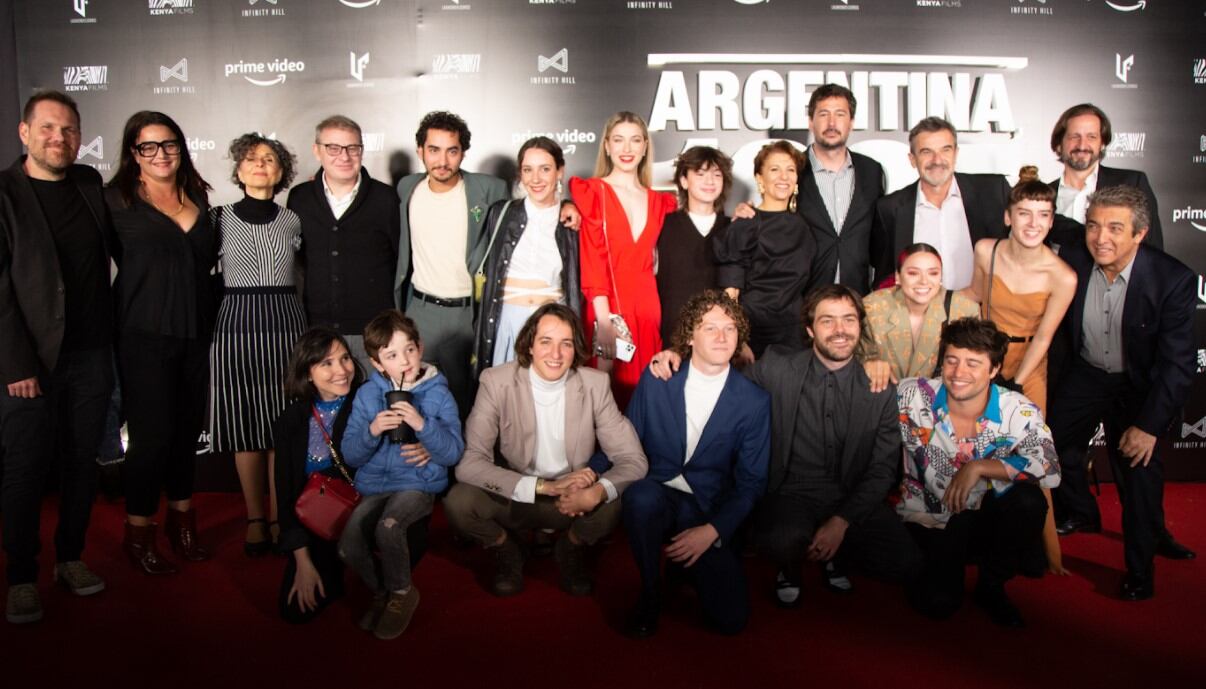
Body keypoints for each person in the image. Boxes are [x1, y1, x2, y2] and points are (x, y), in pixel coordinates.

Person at [651, 284, 921, 609]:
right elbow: (721, 375)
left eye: (849, 320)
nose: (840, 330)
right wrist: (678, 354)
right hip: (790, 494)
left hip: (850, 494)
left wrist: (841, 521)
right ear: (810, 329)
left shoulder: (879, 385)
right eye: (827, 321)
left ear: (860, 327)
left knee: (907, 563)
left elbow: (881, 469)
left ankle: (836, 552)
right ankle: (791, 565)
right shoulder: (778, 367)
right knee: (778, 540)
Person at [1, 91, 116, 623]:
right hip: (31, 365)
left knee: (80, 466)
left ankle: (70, 558)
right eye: (48, 128)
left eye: (69, 130)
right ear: (24, 133)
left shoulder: (91, 185)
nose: (59, 139)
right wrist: (16, 363)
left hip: (92, 355)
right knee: (24, 472)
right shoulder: (3, 193)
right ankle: (21, 575)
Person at [1048, 186, 1197, 600]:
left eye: (1116, 228)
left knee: (1139, 471)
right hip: (1088, 373)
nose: (1102, 238)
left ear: (1140, 233)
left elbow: (1177, 364)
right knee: (1049, 444)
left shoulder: (1172, 280)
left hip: (1139, 384)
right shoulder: (1072, 258)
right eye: (1093, 226)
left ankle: (1141, 565)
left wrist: (1148, 426)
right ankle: (1082, 512)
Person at [445, 303, 647, 597]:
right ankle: (507, 548)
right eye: (546, 342)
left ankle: (570, 548)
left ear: (575, 348)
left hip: (570, 501)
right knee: (458, 502)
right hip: (515, 494)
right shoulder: (496, 381)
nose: (556, 354)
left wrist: (595, 492)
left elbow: (634, 460)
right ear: (529, 346)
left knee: (612, 501)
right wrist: (543, 487)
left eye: (565, 344)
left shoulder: (595, 384)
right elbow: (469, 464)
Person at [622, 291, 770, 638]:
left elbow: (752, 483)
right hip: (658, 494)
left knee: (731, 620)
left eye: (730, 328)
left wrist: (713, 531)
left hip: (707, 509)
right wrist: (591, 477)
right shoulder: (659, 378)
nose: (722, 337)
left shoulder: (754, 401)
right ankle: (650, 590)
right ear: (689, 335)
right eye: (710, 328)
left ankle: (684, 566)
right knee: (640, 497)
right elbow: (626, 442)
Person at [106, 111, 216, 574]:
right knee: (150, 439)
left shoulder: (198, 196)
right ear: (133, 153)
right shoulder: (115, 201)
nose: (160, 154)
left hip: (195, 335)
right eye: (148, 146)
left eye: (168, 144)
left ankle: (181, 521)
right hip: (143, 335)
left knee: (186, 433)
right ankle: (138, 532)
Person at [898, 318, 1060, 627]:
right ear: (940, 361)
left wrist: (980, 467)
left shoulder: (1018, 409)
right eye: (952, 361)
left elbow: (1050, 468)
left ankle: (992, 584)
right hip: (933, 516)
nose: (959, 373)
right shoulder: (911, 395)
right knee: (938, 605)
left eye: (973, 363)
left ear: (994, 369)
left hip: (986, 515)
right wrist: (872, 368)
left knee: (1029, 502)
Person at [208, 133, 306, 556]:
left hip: (286, 324)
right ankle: (254, 517)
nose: (260, 164)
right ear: (238, 169)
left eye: (269, 159)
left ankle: (280, 515)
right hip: (236, 324)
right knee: (245, 427)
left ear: (281, 171)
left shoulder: (294, 220)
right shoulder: (217, 218)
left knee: (282, 428)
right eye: (251, 159)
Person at [339, 310, 463, 639]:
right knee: (348, 542)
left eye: (409, 349)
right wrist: (373, 429)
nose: (405, 360)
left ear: (420, 348)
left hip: (417, 485)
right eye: (392, 355)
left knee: (389, 527)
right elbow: (351, 453)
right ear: (378, 364)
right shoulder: (367, 395)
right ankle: (383, 591)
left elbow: (453, 453)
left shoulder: (439, 393)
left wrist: (423, 427)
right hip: (376, 486)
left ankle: (401, 593)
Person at [395, 112, 509, 416]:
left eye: (452, 150)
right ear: (420, 151)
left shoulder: (489, 189)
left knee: (467, 405)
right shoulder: (407, 188)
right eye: (434, 150)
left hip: (468, 314)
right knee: (415, 403)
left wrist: (565, 205)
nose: (442, 160)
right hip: (419, 311)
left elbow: (528, 207)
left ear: (463, 153)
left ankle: (465, 464)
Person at [733, 84, 886, 295]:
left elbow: (879, 235)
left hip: (857, 297)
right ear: (810, 122)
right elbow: (770, 220)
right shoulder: (792, 170)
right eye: (823, 114)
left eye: (840, 114)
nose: (831, 123)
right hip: (801, 299)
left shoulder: (872, 171)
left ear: (851, 122)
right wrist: (747, 216)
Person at [570, 111, 678, 409]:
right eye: (618, 140)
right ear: (606, 146)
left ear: (645, 146)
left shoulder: (662, 203)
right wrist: (603, 320)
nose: (627, 149)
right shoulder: (592, 192)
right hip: (606, 308)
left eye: (634, 140)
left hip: (647, 308)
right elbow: (592, 258)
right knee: (602, 399)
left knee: (645, 396)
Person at [286, 115, 399, 374]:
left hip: (372, 334)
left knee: (373, 408)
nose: (344, 156)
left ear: (362, 150)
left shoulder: (386, 199)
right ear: (317, 151)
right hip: (317, 331)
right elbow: (298, 259)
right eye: (333, 148)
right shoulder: (300, 198)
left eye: (352, 148)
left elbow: (400, 260)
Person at [273, 327, 362, 624]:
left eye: (345, 358)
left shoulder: (364, 405)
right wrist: (302, 561)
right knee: (294, 611)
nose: (341, 370)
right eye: (327, 363)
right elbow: (285, 494)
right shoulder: (291, 420)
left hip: (358, 515)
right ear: (307, 372)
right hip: (313, 522)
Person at [474, 136, 580, 375]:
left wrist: (569, 205)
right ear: (520, 174)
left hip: (552, 331)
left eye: (545, 169)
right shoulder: (501, 214)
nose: (536, 179)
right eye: (528, 170)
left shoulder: (572, 221)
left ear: (559, 171)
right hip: (507, 324)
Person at [871, 117, 1010, 291]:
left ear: (956, 153)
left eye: (945, 150)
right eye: (926, 152)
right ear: (912, 159)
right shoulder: (890, 208)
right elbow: (885, 274)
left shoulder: (994, 192)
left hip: (980, 313)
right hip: (918, 313)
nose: (937, 160)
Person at [713, 140, 816, 358]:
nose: (784, 177)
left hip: (793, 334)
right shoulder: (744, 224)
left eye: (790, 170)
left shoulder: (803, 227)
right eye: (774, 169)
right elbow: (730, 294)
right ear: (760, 178)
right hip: (753, 333)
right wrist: (738, 341)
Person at [1047, 103, 1162, 251]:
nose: (1082, 145)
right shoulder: (1044, 195)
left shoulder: (1132, 183)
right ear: (1059, 145)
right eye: (1074, 136)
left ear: (1102, 144)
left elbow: (1152, 250)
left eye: (1092, 137)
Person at [863, 243, 979, 383]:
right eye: (913, 273)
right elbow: (853, 357)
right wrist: (868, 364)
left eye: (933, 273)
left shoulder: (965, 310)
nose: (924, 281)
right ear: (898, 277)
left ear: (941, 277)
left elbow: (975, 366)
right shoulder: (873, 308)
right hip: (883, 398)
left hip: (939, 401)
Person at [655, 146, 733, 346]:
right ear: (683, 180)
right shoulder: (663, 225)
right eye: (700, 174)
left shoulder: (733, 228)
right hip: (673, 338)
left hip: (718, 341)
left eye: (717, 175)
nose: (710, 181)